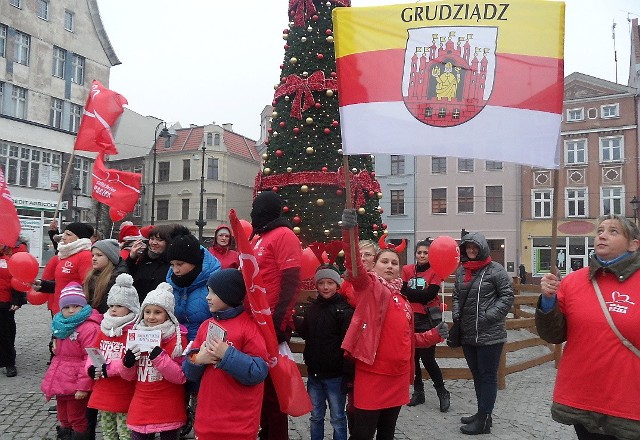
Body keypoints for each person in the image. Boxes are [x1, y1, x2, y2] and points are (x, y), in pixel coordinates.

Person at [340, 209, 449, 440]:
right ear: (375, 265)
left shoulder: (403, 300)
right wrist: (350, 232)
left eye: (394, 263)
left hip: (398, 378)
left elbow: (410, 339)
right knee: (363, 434)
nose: (390, 266)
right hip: (373, 375)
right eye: (384, 261)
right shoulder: (370, 289)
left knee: (387, 434)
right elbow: (355, 268)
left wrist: (433, 334)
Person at [536, 215, 640, 440]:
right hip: (585, 399)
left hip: (629, 403)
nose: (602, 235)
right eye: (600, 230)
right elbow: (554, 334)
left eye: (613, 231)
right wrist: (548, 300)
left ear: (633, 244)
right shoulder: (573, 282)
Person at [183, 269, 269, 439]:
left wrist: (227, 354)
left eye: (213, 292)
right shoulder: (205, 326)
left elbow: (259, 371)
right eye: (208, 291)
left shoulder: (249, 328)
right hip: (207, 422)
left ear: (229, 295)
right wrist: (197, 359)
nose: (208, 297)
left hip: (239, 425)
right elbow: (189, 373)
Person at [249, 191, 302, 440]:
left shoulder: (284, 235)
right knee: (258, 385)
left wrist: (280, 322)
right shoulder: (259, 236)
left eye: (257, 209)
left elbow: (290, 281)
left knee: (274, 391)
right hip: (254, 321)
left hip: (272, 323)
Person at [453, 232, 514, 435]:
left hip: (490, 335)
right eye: (468, 247)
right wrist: (456, 314)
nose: (471, 251)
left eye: (475, 247)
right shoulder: (462, 271)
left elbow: (507, 296)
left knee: (488, 376)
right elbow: (455, 295)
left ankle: (485, 418)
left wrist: (488, 316)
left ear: (482, 248)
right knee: (477, 375)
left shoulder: (495, 270)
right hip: (469, 333)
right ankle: (481, 413)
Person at [120, 282, 188, 440]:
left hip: (168, 403)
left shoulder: (176, 339)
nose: (151, 317)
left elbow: (180, 376)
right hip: (142, 402)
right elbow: (128, 376)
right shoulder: (135, 334)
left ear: (168, 314)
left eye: (157, 312)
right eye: (147, 311)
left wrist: (159, 357)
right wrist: (127, 364)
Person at [294, 264, 354, 440]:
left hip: (335, 376)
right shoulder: (313, 307)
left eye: (330, 283)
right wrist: (293, 319)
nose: (325, 287)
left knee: (337, 418)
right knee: (316, 417)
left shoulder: (344, 311)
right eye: (321, 283)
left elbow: (348, 346)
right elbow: (305, 332)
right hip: (314, 374)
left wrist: (348, 376)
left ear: (337, 285)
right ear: (316, 285)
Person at [41, 282, 102, 440]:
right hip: (62, 381)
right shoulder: (60, 325)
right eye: (67, 307)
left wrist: (83, 387)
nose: (71, 310)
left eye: (76, 306)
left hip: (77, 384)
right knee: (64, 419)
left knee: (77, 419)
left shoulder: (89, 328)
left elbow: (90, 359)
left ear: (83, 306)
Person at [86, 273, 140, 440]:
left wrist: (108, 368)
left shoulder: (134, 331)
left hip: (124, 391)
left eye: (119, 305)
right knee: (108, 431)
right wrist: (90, 368)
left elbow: (130, 361)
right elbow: (93, 351)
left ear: (131, 308)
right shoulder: (104, 328)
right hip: (103, 389)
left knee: (125, 433)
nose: (114, 309)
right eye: (111, 306)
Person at [401, 239, 450, 411]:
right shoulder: (407, 270)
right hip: (410, 318)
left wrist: (411, 293)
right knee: (412, 359)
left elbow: (429, 295)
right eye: (419, 252)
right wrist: (417, 294)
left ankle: (442, 392)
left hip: (428, 320)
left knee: (428, 359)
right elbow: (403, 292)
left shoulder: (435, 271)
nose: (422, 255)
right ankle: (418, 392)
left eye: (425, 253)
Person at [35, 222, 95, 315]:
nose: (63, 237)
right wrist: (43, 285)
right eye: (64, 233)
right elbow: (63, 284)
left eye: (68, 234)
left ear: (80, 238)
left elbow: (88, 287)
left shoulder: (85, 256)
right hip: (60, 309)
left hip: (73, 312)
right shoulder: (65, 255)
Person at [0, 237, 28, 377]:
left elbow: (18, 280)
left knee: (6, 334)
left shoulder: (9, 261)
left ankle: (9, 362)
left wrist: (17, 300)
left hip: (4, 303)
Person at [127, 224, 175, 303]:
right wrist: (131, 258)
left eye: (159, 240)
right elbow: (130, 277)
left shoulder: (172, 263)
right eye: (152, 239)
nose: (154, 243)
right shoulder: (144, 259)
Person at [84, 239, 128, 314]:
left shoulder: (117, 279)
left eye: (99, 255)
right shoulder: (91, 275)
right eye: (93, 255)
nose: (94, 258)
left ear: (111, 258)